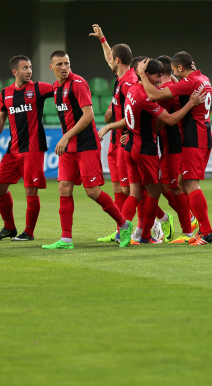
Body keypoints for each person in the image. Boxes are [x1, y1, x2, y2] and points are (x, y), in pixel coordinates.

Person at [101, 59, 204, 244]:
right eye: (156, 76)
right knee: (158, 191)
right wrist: (190, 103)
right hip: (148, 148)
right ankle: (149, 234)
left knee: (141, 192)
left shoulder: (132, 89)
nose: (158, 81)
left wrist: (114, 128)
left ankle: (127, 232)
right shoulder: (153, 94)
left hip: (137, 146)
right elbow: (165, 120)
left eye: (160, 76)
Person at [43, 51, 132, 249]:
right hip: (69, 147)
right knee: (64, 188)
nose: (64, 67)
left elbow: (89, 115)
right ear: (51, 67)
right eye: (59, 64)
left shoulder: (78, 83)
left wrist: (66, 136)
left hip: (86, 145)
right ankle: (66, 239)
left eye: (67, 63)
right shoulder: (56, 88)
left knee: (92, 192)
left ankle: (124, 224)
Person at [136, 52, 212, 246]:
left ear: (180, 68)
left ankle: (205, 232)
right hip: (203, 134)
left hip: (193, 138)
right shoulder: (203, 79)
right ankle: (196, 229)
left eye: (174, 71)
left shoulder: (188, 83)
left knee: (189, 185)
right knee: (181, 183)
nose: (174, 76)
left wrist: (140, 75)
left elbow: (153, 94)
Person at [0, 55, 51, 242]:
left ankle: (28, 233)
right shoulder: (5, 93)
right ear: (15, 72)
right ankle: (9, 228)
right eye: (24, 68)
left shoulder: (39, 88)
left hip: (33, 148)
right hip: (13, 149)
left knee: (31, 190)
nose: (29, 71)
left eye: (30, 67)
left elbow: (61, 89)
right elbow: (0, 119)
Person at [88, 25, 138, 243]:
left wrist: (110, 126)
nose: (108, 60)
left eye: (111, 58)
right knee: (118, 187)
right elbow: (110, 55)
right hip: (115, 142)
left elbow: (133, 115)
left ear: (117, 60)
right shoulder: (120, 80)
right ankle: (121, 229)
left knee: (130, 189)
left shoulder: (130, 82)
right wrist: (103, 40)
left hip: (125, 140)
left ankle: (156, 222)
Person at [155, 55, 198, 243]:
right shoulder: (172, 85)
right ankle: (188, 220)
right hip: (167, 146)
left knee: (176, 188)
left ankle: (189, 228)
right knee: (166, 187)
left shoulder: (166, 89)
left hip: (174, 146)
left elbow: (159, 123)